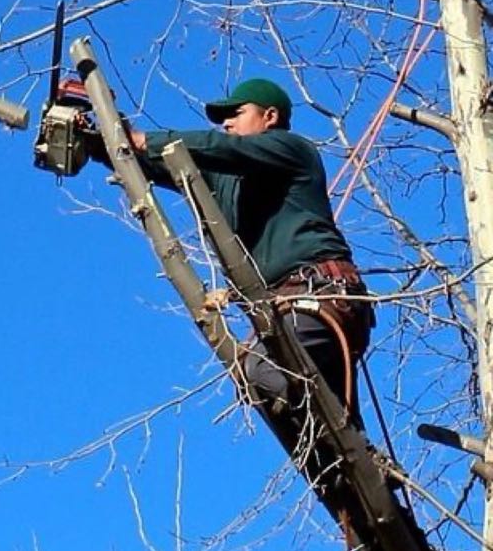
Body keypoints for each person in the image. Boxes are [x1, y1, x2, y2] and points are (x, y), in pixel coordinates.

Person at [116, 78, 374, 422]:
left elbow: (219, 148)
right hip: (289, 310)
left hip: (320, 296)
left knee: (260, 374)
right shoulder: (227, 180)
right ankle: (362, 471)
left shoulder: (290, 149)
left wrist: (144, 138)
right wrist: (107, 142)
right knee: (328, 438)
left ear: (269, 116)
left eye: (236, 113)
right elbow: (165, 164)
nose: (226, 123)